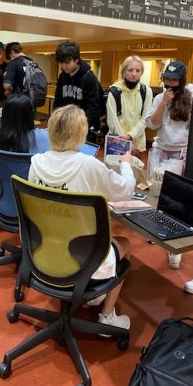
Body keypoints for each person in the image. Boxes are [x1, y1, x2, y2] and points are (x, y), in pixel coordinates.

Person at [29, 105, 135, 332]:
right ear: (81, 133)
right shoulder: (89, 165)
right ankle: (107, 316)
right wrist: (126, 164)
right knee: (125, 244)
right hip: (83, 259)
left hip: (42, 255)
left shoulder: (36, 163)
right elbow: (125, 190)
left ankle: (93, 296)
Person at [145, 61, 193, 269]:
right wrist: (164, 102)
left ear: (181, 81)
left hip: (181, 154)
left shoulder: (190, 98)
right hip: (161, 151)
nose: (169, 84)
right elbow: (152, 124)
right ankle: (158, 230)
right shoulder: (159, 97)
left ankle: (175, 249)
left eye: (174, 80)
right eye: (167, 79)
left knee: (178, 200)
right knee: (157, 195)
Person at [53, 40, 100, 141]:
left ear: (76, 60)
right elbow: (58, 102)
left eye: (67, 62)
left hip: (81, 128)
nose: (64, 66)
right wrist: (55, 121)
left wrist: (80, 126)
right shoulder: (62, 77)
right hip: (65, 126)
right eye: (61, 63)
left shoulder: (89, 77)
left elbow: (93, 107)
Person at [107, 55, 153, 157]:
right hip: (116, 142)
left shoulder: (146, 91)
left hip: (137, 144)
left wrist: (131, 135)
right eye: (130, 70)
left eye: (138, 70)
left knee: (135, 172)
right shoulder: (114, 91)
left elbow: (145, 118)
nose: (134, 74)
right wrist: (124, 142)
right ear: (123, 71)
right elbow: (112, 120)